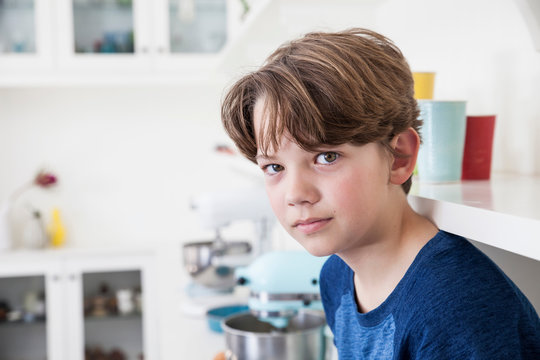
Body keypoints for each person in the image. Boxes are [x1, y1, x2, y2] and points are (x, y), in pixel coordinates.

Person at [220, 28, 540, 359]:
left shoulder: (454, 310)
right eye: (274, 168)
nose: (296, 194)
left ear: (399, 157)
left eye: (326, 157)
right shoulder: (338, 278)